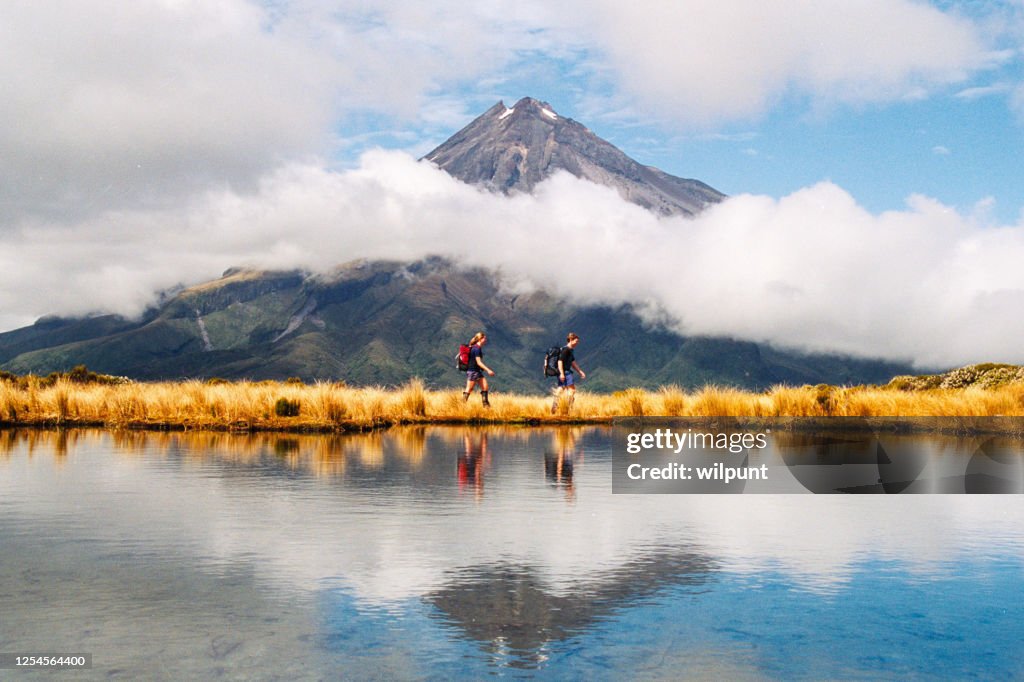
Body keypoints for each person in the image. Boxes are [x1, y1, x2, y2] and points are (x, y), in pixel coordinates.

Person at [551, 332, 585, 414]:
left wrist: (580, 372)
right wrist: (562, 373)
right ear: (570, 340)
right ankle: (568, 408)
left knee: (561, 388)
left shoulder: (570, 350)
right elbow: (560, 361)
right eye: (576, 341)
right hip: (565, 372)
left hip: (563, 372)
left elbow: (573, 363)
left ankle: (555, 406)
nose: (577, 343)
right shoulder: (566, 350)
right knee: (572, 390)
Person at [463, 331, 495, 407]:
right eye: (484, 338)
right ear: (480, 339)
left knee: (485, 386)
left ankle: (486, 405)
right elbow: (479, 362)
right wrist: (488, 370)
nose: (486, 340)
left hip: (476, 371)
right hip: (473, 371)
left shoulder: (475, 347)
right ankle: (461, 405)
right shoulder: (476, 349)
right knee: (469, 389)